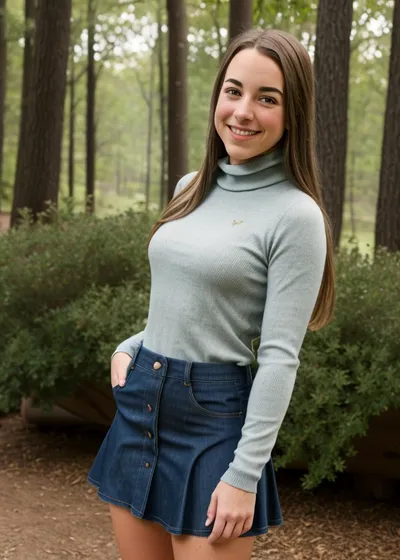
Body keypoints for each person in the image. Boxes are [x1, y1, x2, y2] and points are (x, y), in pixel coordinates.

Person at [88, 28, 335, 560]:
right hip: (142, 405)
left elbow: (278, 356)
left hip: (215, 424)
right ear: (217, 96)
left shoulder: (297, 216)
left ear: (294, 114)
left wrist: (244, 475)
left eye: (267, 99)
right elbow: (187, 297)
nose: (243, 111)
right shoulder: (189, 187)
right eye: (233, 90)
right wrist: (134, 344)